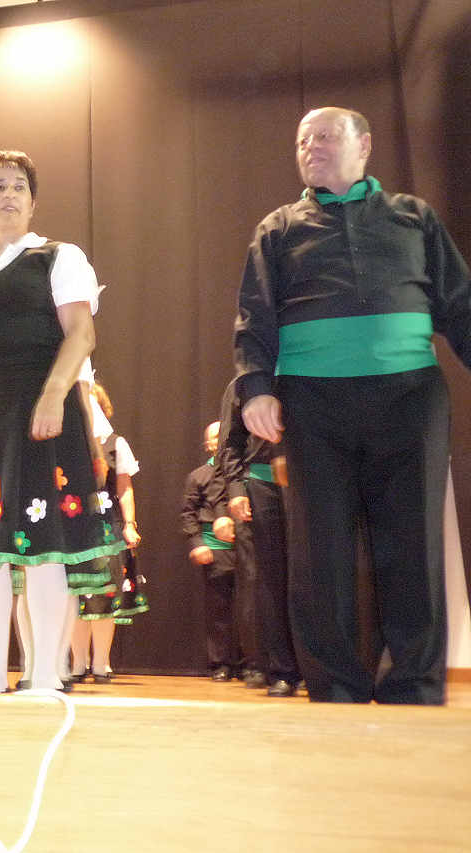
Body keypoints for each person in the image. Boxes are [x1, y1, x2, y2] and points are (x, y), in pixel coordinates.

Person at [234, 107, 471, 704]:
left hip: (409, 398)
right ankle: (335, 684)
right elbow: (254, 316)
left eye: (325, 136)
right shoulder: (278, 229)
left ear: (363, 145)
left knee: (414, 545)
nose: (310, 146)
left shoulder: (413, 216)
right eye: (302, 140)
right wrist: (256, 387)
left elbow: (460, 303)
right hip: (314, 405)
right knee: (319, 551)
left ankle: (414, 684)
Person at [0, 150, 124, 695]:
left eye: (19, 187)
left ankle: (46, 673)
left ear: (33, 202)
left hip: (43, 412)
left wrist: (54, 394)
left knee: (44, 544)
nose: (9, 195)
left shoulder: (60, 258)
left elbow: (81, 334)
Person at [216, 378, 299, 696]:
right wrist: (236, 489)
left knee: (313, 575)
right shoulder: (243, 384)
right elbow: (230, 442)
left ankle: (317, 667)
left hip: (310, 482)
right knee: (268, 580)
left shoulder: (306, 369)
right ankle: (281, 670)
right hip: (262, 486)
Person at [70, 382, 145, 683]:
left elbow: (125, 488)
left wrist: (129, 524)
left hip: (106, 526)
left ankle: (101, 662)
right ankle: (78, 663)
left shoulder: (116, 443)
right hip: (74, 525)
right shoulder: (67, 442)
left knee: (104, 593)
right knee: (74, 596)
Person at [181, 421, 242, 681]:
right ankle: (221, 664)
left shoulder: (242, 474)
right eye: (215, 437)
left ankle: (250, 663)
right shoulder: (198, 476)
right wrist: (198, 544)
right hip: (215, 551)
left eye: (223, 435)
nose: (220, 440)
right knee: (219, 611)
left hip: (245, 549)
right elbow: (188, 513)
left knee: (249, 609)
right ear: (207, 445)